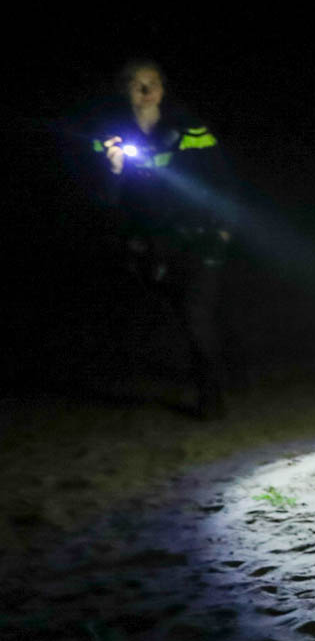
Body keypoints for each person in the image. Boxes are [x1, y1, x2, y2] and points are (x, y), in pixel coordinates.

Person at [90, 59, 235, 419]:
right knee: (171, 315)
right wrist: (112, 171)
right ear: (125, 90)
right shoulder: (111, 135)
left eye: (151, 82)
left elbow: (220, 176)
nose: (145, 90)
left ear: (162, 88)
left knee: (196, 315)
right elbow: (103, 197)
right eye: (136, 84)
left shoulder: (188, 127)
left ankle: (212, 400)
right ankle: (215, 373)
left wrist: (224, 225)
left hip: (198, 236)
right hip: (150, 242)